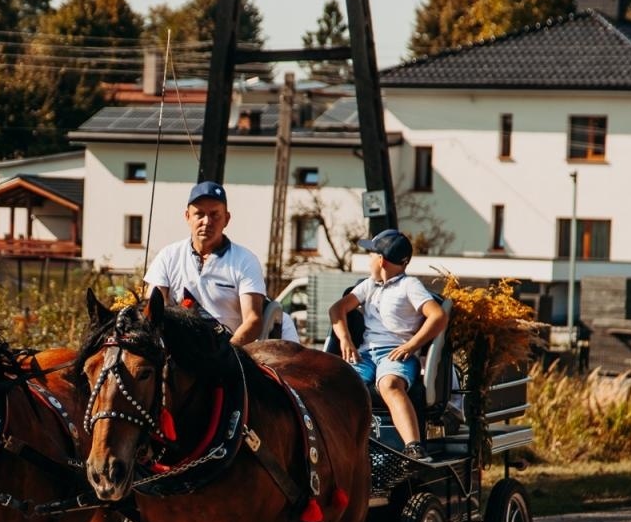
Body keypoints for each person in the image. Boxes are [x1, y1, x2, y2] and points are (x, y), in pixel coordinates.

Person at [328, 228, 447, 461]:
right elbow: (337, 309)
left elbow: (438, 316)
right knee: (343, 385)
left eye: (371, 254)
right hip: (365, 354)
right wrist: (345, 339)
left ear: (380, 260)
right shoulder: (369, 285)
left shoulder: (409, 285)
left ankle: (413, 446)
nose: (369, 259)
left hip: (395, 354)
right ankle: (338, 445)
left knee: (390, 384)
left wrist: (412, 345)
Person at [144, 180, 299, 345]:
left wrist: (226, 354)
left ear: (227, 218)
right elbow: (152, 308)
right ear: (187, 216)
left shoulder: (245, 260)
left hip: (231, 349)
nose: (207, 221)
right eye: (199, 214)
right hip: (181, 353)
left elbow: (253, 319)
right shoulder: (168, 256)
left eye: (214, 214)